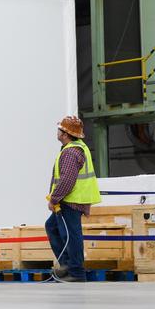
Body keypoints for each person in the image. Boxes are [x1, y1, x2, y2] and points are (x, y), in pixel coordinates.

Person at [46, 115, 101, 283]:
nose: (58, 131)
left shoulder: (71, 152)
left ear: (65, 134)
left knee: (71, 235)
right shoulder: (74, 148)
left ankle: (76, 272)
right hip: (71, 200)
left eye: (60, 129)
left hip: (71, 201)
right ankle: (66, 267)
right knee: (53, 227)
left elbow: (67, 181)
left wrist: (54, 199)